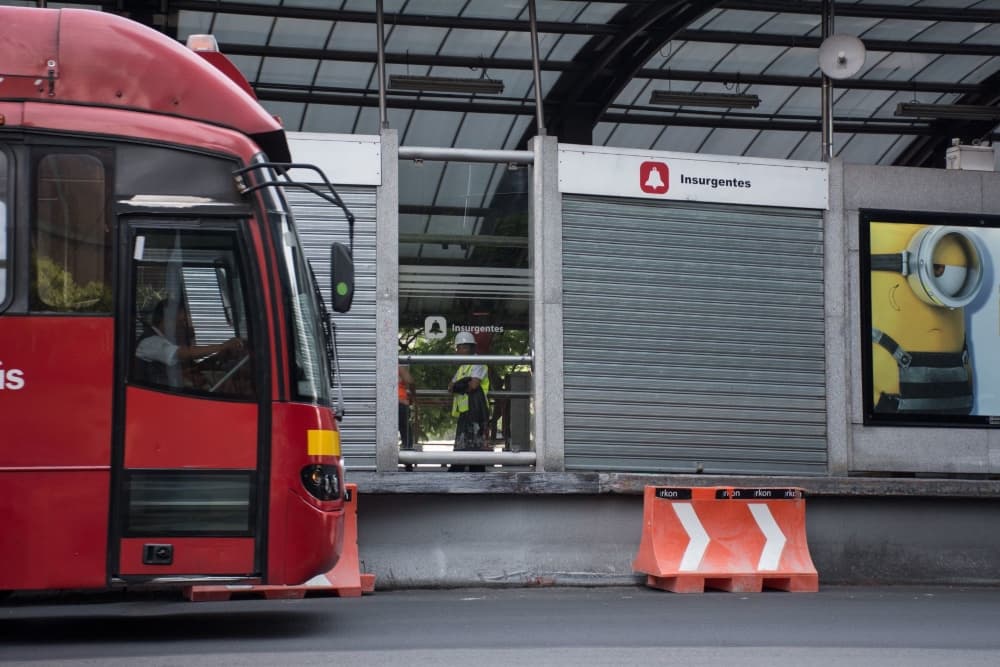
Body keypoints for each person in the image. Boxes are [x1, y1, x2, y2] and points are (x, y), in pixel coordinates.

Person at [135, 298, 245, 389]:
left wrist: (215, 358)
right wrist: (223, 345)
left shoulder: (161, 340)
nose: (184, 326)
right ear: (167, 320)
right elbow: (186, 353)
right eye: (181, 321)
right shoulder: (150, 342)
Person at [448, 330, 490, 472]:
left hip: (477, 410)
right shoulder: (463, 367)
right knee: (462, 441)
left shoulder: (478, 363)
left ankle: (473, 471)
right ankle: (460, 468)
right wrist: (462, 383)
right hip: (465, 411)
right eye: (458, 348)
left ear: (469, 348)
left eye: (460, 348)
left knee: (475, 443)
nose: (458, 351)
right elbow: (450, 387)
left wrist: (459, 385)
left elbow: (473, 385)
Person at [398, 364, 416, 451]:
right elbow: (410, 381)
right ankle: (408, 452)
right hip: (400, 402)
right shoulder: (397, 366)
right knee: (405, 429)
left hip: (384, 402)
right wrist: (413, 396)